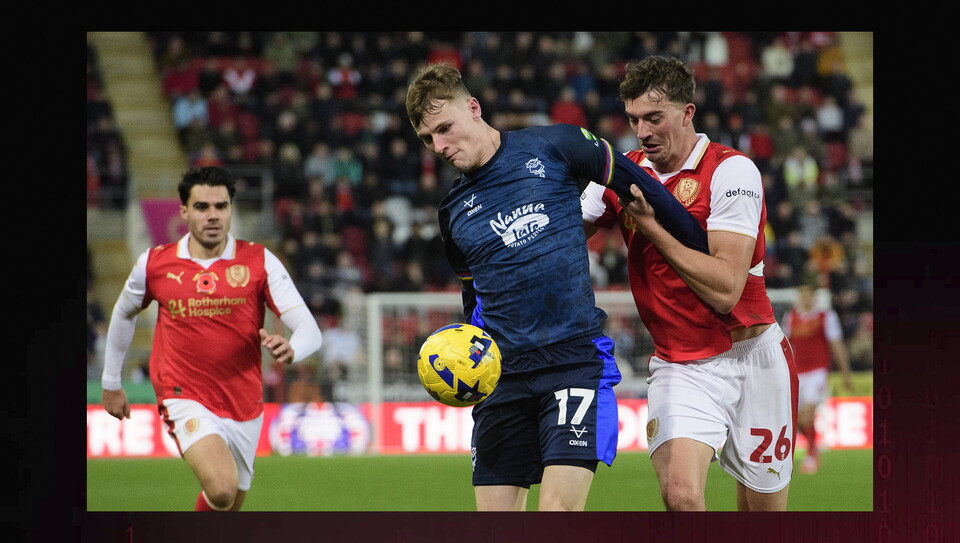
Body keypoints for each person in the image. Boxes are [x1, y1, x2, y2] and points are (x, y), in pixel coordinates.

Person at [405, 62, 708, 512]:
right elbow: (475, 301)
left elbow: (644, 188)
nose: (441, 146)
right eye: (429, 139)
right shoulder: (452, 214)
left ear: (473, 107)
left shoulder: (556, 145)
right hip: (501, 376)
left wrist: (704, 250)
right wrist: (467, 361)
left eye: (445, 128)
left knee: (557, 514)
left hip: (571, 364)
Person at [581, 55, 798, 511]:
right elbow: (561, 233)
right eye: (634, 119)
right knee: (681, 496)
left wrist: (652, 226)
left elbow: (725, 290)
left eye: (654, 118)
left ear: (687, 112)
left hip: (755, 357)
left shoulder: (730, 171)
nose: (641, 132)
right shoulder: (620, 174)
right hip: (682, 365)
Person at [100, 166, 323, 511]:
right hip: (182, 393)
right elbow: (123, 313)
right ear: (184, 211)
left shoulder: (259, 261)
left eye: (221, 206)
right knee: (221, 487)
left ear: (231, 209)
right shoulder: (155, 263)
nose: (213, 215)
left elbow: (309, 328)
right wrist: (111, 381)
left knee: (227, 505)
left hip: (243, 402)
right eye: (202, 207)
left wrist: (293, 348)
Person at [781, 283, 852, 474]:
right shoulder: (791, 317)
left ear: (814, 298)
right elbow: (786, 347)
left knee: (807, 414)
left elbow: (836, 344)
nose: (805, 299)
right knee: (797, 419)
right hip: (797, 373)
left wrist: (845, 373)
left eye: (808, 295)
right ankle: (813, 447)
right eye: (802, 295)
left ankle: (812, 455)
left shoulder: (826, 317)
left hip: (817, 372)